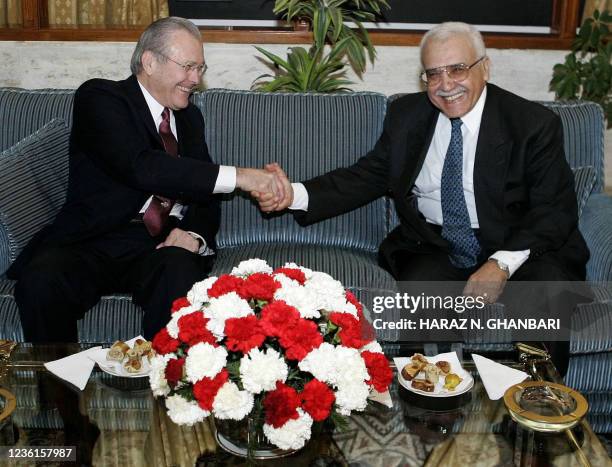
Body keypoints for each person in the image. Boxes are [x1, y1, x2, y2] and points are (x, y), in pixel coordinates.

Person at [255, 22, 589, 374]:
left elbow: (554, 209)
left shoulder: (532, 124)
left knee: (547, 293)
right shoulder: (407, 116)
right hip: (436, 243)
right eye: (434, 74)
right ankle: (433, 406)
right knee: (422, 292)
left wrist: (500, 264)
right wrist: (294, 194)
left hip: (518, 243)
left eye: (458, 69)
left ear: (484, 68)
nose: (446, 85)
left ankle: (539, 402)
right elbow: (366, 176)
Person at [8, 16, 284, 342]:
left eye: (201, 69)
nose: (195, 78)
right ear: (150, 61)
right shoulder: (101, 98)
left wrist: (195, 236)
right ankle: (60, 390)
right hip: (93, 242)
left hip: (158, 246)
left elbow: (204, 193)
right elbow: (142, 166)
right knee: (41, 279)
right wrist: (241, 177)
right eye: (189, 66)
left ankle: (164, 385)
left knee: (180, 269)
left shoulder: (189, 118)